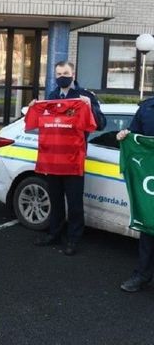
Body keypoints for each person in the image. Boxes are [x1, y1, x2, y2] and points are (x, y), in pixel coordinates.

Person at [32, 61, 106, 256]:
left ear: (73, 74)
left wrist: (90, 108)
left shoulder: (85, 96)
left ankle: (73, 239)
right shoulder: (52, 96)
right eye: (58, 73)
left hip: (74, 160)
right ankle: (54, 234)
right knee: (55, 201)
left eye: (65, 73)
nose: (61, 76)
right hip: (53, 159)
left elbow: (101, 124)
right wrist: (35, 107)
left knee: (74, 204)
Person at [117, 99, 154, 292]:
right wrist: (125, 135)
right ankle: (142, 275)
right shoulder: (146, 108)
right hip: (149, 178)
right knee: (148, 230)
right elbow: (133, 133)